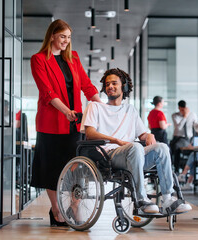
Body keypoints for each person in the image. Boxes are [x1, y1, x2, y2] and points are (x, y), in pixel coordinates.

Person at [80, 68, 192, 214]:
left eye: (114, 83)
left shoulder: (130, 110)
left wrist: (149, 135)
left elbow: (142, 135)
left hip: (134, 155)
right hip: (109, 156)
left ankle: (168, 199)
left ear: (124, 86)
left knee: (162, 147)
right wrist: (116, 140)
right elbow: (89, 133)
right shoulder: (95, 107)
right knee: (135, 147)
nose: (110, 87)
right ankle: (141, 199)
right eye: (107, 84)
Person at [30, 19, 101, 226]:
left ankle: (75, 206)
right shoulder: (39, 59)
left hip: (74, 123)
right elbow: (47, 92)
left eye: (69, 37)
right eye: (62, 36)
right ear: (52, 35)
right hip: (51, 123)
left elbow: (86, 86)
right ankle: (56, 211)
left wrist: (101, 104)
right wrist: (66, 111)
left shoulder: (74, 58)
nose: (66, 41)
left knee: (76, 169)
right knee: (52, 170)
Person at [170, 100, 198, 173]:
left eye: (184, 109)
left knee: (176, 146)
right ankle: (173, 167)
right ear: (179, 108)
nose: (183, 111)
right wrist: (185, 117)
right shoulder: (175, 115)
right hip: (176, 137)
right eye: (182, 109)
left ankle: (177, 169)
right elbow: (179, 127)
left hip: (186, 138)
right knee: (171, 148)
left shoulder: (192, 114)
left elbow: (196, 126)